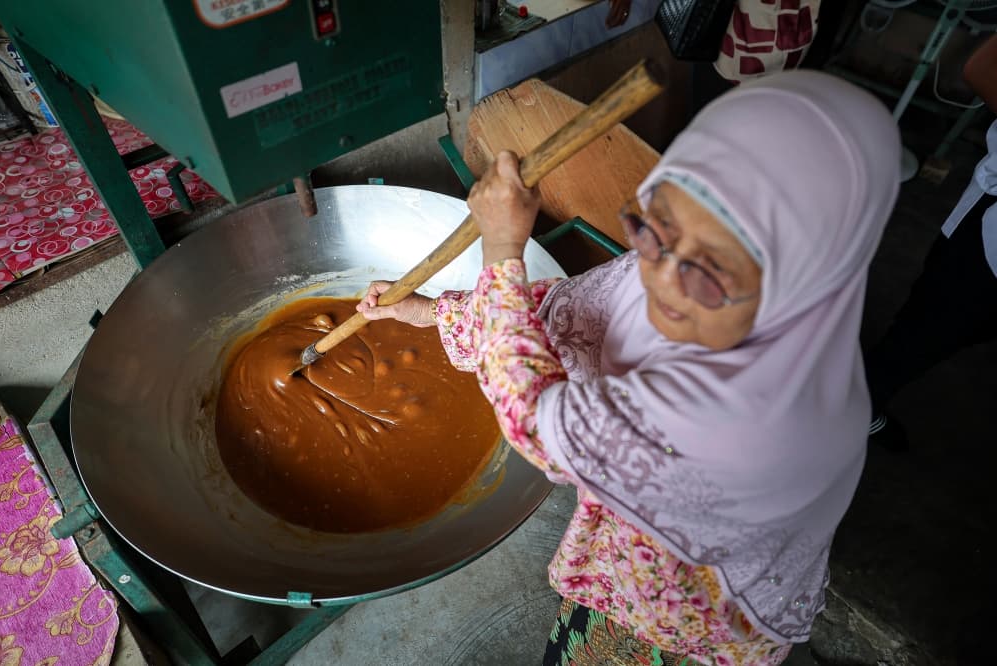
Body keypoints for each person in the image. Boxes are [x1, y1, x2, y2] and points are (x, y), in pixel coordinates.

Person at [358, 71, 900, 665]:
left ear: (812, 264)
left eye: (711, 269)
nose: (660, 280)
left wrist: (502, 251)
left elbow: (536, 419)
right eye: (654, 227)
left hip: (690, 623)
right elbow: (568, 312)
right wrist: (433, 313)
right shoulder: (711, 268)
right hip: (627, 553)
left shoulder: (752, 417)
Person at [865, 33, 997, 451]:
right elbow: (983, 68)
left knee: (964, 330)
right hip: (989, 237)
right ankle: (856, 405)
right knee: (927, 331)